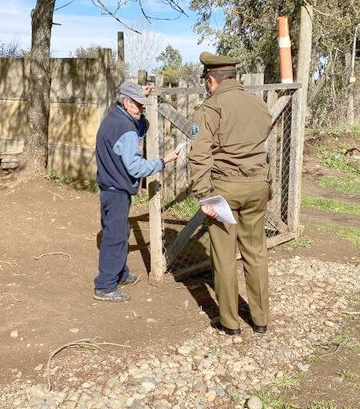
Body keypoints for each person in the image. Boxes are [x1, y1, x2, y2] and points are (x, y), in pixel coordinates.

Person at [189, 52, 272, 335]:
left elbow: (199, 153)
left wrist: (203, 194)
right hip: (258, 186)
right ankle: (260, 320)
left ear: (211, 80)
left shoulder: (211, 108)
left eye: (206, 83)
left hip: (225, 190)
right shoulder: (258, 105)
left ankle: (229, 322)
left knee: (224, 257)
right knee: (256, 253)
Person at [94, 80, 179, 302]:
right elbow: (136, 167)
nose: (141, 109)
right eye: (138, 105)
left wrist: (141, 97)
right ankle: (105, 286)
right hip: (117, 190)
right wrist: (163, 161)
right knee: (115, 236)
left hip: (108, 188)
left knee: (118, 232)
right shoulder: (125, 130)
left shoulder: (114, 118)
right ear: (125, 102)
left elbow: (141, 125)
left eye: (143, 105)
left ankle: (120, 274)